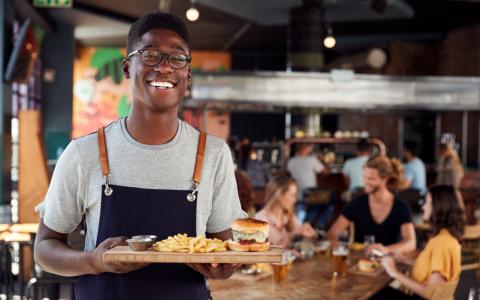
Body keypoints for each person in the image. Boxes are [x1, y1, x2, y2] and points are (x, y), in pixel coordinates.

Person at [34, 12, 245, 300]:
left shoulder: (213, 154)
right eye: (150, 55)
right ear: (126, 68)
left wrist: (225, 267)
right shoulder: (85, 153)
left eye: (177, 58)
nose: (165, 67)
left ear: (188, 75)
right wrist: (93, 261)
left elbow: (227, 248)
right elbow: (45, 248)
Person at [377, 185, 464, 299]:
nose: (423, 207)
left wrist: (395, 273)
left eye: (427, 202)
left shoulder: (441, 243)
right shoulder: (446, 236)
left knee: (375, 294)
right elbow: (433, 270)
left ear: (438, 207)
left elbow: (434, 295)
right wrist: (405, 260)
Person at [327, 155, 416, 255]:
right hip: (359, 264)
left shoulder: (401, 207)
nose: (365, 182)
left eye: (371, 179)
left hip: (388, 263)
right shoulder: (357, 204)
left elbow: (411, 243)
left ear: (385, 179)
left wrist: (386, 249)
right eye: (364, 177)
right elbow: (332, 234)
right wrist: (335, 243)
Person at [255, 173, 317, 249]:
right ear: (279, 195)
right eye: (292, 195)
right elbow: (259, 253)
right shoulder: (260, 220)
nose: (295, 200)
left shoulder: (289, 216)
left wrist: (305, 234)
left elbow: (303, 243)